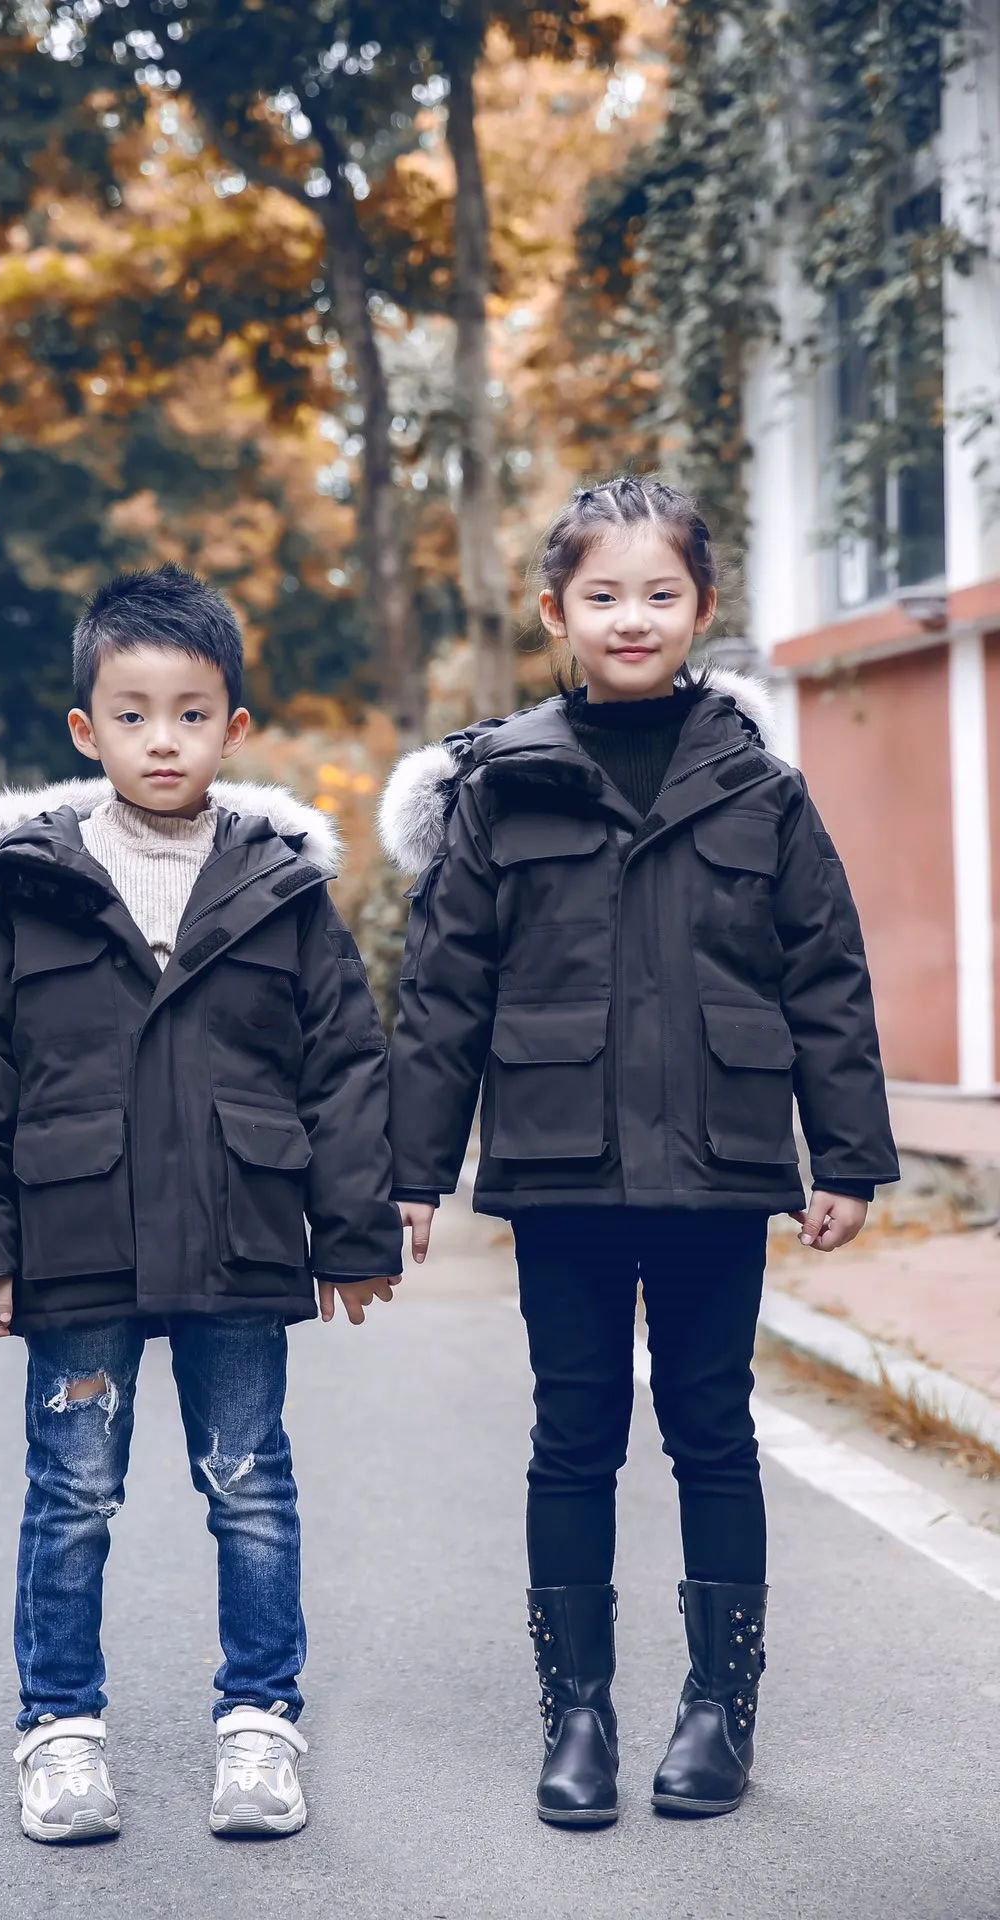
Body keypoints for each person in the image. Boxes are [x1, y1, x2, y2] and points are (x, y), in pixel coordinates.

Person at [379, 476, 898, 1825]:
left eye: (659, 593)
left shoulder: (761, 792)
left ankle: (718, 1716)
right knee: (573, 1438)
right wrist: (409, 1175)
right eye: (601, 595)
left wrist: (845, 1155)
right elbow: (444, 991)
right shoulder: (502, 788)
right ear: (556, 614)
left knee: (713, 1431)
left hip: (719, 1166)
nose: (631, 617)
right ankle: (581, 1719)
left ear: (701, 611)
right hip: (563, 1172)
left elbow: (826, 975)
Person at [0, 564, 402, 1844]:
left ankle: (259, 1725)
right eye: (131, 714)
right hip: (75, 1250)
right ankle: (59, 1732)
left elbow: (345, 1068)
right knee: (72, 1492)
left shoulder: (280, 888)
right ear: (85, 731)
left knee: (248, 1484)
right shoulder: (25, 890)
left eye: (191, 713)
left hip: (240, 1247)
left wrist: (350, 1236)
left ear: (234, 729)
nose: (162, 739)